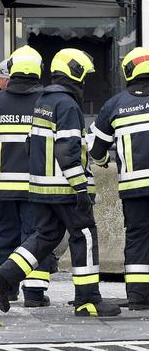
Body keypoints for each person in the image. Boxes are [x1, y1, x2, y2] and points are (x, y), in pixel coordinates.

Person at [0, 48, 120, 317]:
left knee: (45, 237)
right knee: (84, 236)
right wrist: (80, 187)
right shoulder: (67, 105)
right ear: (76, 73)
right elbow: (67, 149)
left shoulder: (43, 102)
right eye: (84, 76)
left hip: (41, 188)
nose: (84, 83)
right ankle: (88, 300)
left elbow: (29, 145)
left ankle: (3, 277)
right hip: (65, 189)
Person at [0, 47, 54, 307]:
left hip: (2, 185)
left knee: (4, 235)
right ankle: (34, 294)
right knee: (35, 236)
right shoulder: (47, 100)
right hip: (36, 185)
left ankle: (5, 289)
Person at [88, 46, 149, 310]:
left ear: (128, 71)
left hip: (134, 188)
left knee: (137, 238)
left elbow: (95, 148)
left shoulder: (115, 105)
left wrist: (103, 162)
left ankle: (138, 297)